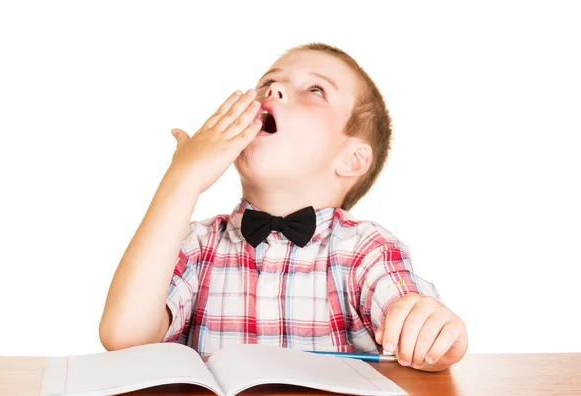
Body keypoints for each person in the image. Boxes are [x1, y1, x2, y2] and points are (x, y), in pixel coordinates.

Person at [99, 42, 468, 372]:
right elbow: (125, 338)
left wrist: (433, 331)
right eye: (268, 82)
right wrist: (182, 181)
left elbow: (421, 331)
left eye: (315, 89)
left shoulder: (366, 250)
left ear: (352, 160)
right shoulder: (196, 244)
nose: (272, 89)